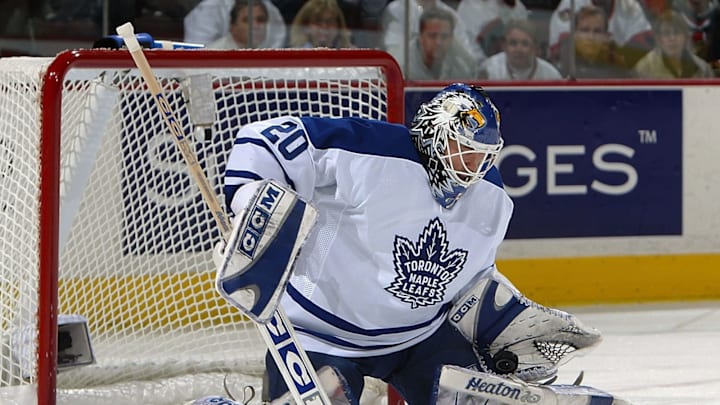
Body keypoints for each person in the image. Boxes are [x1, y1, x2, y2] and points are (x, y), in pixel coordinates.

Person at [214, 83, 618, 404]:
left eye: (481, 158)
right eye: (463, 152)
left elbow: (469, 283)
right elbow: (262, 140)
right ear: (433, 135)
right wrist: (251, 201)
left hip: (418, 340)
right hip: (319, 335)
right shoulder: (371, 151)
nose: (471, 170)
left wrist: (503, 326)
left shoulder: (492, 200)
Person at [381, 0, 485, 68]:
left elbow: (469, 59)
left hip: (443, 81)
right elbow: (393, 56)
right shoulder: (398, 9)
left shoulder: (451, 15)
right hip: (407, 80)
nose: (438, 41)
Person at [548, 0, 655, 66]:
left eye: (597, 31)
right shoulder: (571, 2)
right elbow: (560, 48)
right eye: (586, 30)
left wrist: (612, 54)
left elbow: (646, 44)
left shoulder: (629, 5)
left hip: (614, 72)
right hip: (577, 74)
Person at [634, 9, 715, 77]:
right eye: (666, 33)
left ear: (685, 38)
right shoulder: (644, 68)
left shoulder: (703, 69)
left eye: (677, 32)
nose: (672, 38)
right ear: (659, 40)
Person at [401, 7, 477, 79]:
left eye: (444, 36)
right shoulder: (402, 66)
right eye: (432, 36)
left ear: (451, 38)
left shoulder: (462, 63)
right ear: (420, 37)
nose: (438, 42)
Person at [557, 5, 632, 78]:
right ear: (574, 34)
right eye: (585, 30)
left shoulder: (617, 69)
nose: (591, 37)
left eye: (597, 31)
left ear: (605, 36)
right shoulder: (561, 67)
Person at [478, 19, 563, 79]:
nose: (518, 49)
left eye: (525, 44)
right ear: (504, 46)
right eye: (513, 43)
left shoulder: (551, 75)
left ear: (535, 48)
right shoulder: (489, 70)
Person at [183, 0, 286, 47]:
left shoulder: (270, 9)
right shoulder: (208, 9)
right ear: (232, 27)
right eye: (247, 20)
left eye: (261, 20)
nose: (256, 26)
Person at [456, 0, 530, 58]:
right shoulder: (467, 6)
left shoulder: (516, 6)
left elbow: (524, 38)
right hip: (481, 65)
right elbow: (468, 47)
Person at [288, 0, 355, 48]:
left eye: (330, 22)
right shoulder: (291, 55)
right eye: (318, 21)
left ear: (339, 26)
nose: (324, 27)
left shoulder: (353, 54)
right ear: (305, 25)